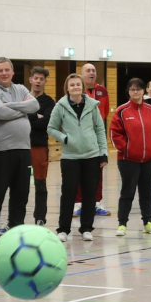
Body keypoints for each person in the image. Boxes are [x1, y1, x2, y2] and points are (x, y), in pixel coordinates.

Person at [0, 57, 39, 247]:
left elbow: (35, 106)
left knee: (21, 194)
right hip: (1, 151)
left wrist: (10, 106)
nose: (4, 73)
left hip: (23, 150)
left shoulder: (21, 89)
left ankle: (16, 230)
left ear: (12, 72)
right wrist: (22, 110)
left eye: (7, 70)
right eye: (0, 71)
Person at [48, 73, 108, 241]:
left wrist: (103, 153)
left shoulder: (93, 105)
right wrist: (65, 139)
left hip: (92, 155)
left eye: (78, 84)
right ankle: (63, 230)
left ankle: (86, 228)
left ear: (82, 87)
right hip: (70, 157)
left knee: (90, 193)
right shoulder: (60, 106)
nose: (75, 87)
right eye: (72, 85)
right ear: (67, 88)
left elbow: (100, 130)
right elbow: (51, 128)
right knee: (68, 193)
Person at [111, 78, 151, 235]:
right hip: (128, 160)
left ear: (143, 91)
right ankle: (122, 224)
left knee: (146, 192)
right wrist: (125, 149)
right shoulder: (122, 111)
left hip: (149, 160)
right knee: (127, 192)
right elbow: (115, 134)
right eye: (132, 89)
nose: (136, 92)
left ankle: (148, 222)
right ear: (128, 91)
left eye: (138, 89)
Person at [77, 63, 112, 218]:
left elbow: (104, 112)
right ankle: (78, 204)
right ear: (81, 73)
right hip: (79, 137)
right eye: (88, 71)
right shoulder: (77, 89)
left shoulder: (102, 90)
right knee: (79, 170)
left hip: (97, 136)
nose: (91, 73)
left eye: (93, 71)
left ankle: (96, 203)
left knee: (98, 169)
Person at [27, 66, 56, 226]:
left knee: (40, 184)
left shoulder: (49, 102)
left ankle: (40, 217)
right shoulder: (23, 98)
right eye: (35, 78)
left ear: (45, 82)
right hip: (21, 146)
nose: (38, 81)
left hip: (39, 146)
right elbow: (16, 115)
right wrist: (35, 115)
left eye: (41, 79)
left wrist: (28, 116)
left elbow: (45, 122)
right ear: (30, 79)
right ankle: (15, 219)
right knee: (19, 184)